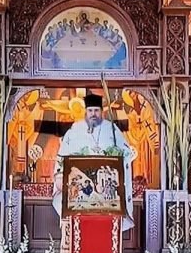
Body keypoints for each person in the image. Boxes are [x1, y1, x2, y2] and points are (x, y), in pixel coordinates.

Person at [53, 92, 134, 231]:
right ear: (85, 112)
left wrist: (121, 155)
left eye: (96, 110)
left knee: (104, 229)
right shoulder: (75, 130)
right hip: (81, 194)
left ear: (102, 112)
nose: (93, 114)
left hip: (107, 196)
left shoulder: (112, 129)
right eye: (90, 110)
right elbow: (62, 156)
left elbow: (126, 153)